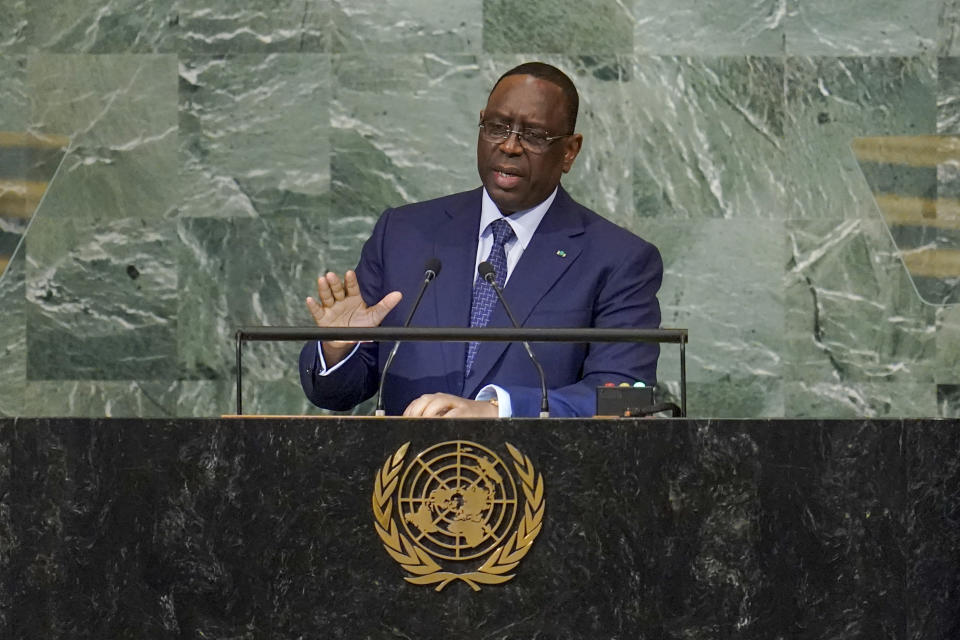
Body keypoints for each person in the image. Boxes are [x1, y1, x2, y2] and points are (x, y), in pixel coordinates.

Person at [299, 62, 662, 418]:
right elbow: (337, 392)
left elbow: (625, 399)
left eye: (534, 136)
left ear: (569, 151)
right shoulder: (404, 233)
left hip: (538, 472)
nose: (509, 146)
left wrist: (499, 409)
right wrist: (336, 349)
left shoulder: (618, 259)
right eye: (497, 127)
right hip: (407, 472)